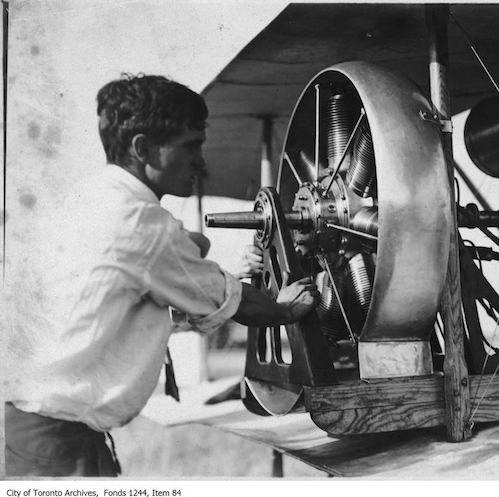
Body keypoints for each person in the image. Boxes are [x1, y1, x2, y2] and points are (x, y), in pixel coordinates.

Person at [3, 74, 320, 477]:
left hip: (34, 427)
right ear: (142, 149)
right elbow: (234, 302)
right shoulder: (140, 221)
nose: (201, 162)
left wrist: (198, 254)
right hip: (56, 444)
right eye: (190, 146)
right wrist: (285, 309)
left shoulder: (96, 201)